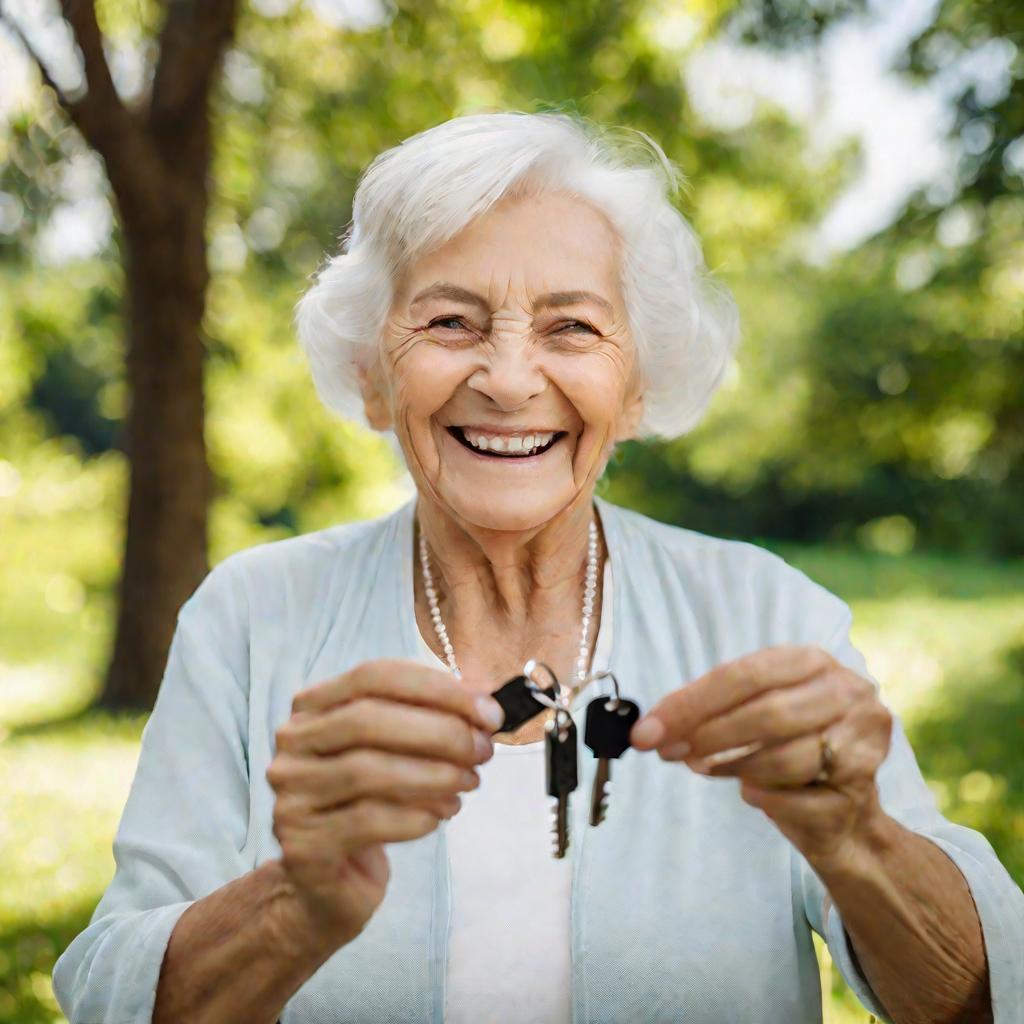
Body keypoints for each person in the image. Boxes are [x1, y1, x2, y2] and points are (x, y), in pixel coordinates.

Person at [53, 111, 1023, 1024]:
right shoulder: (251, 615)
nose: (510, 380)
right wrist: (293, 904)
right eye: (449, 323)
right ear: (371, 374)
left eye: (571, 327)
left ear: (638, 384)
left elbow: (984, 998)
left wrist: (860, 843)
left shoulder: (766, 612)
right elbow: (111, 991)